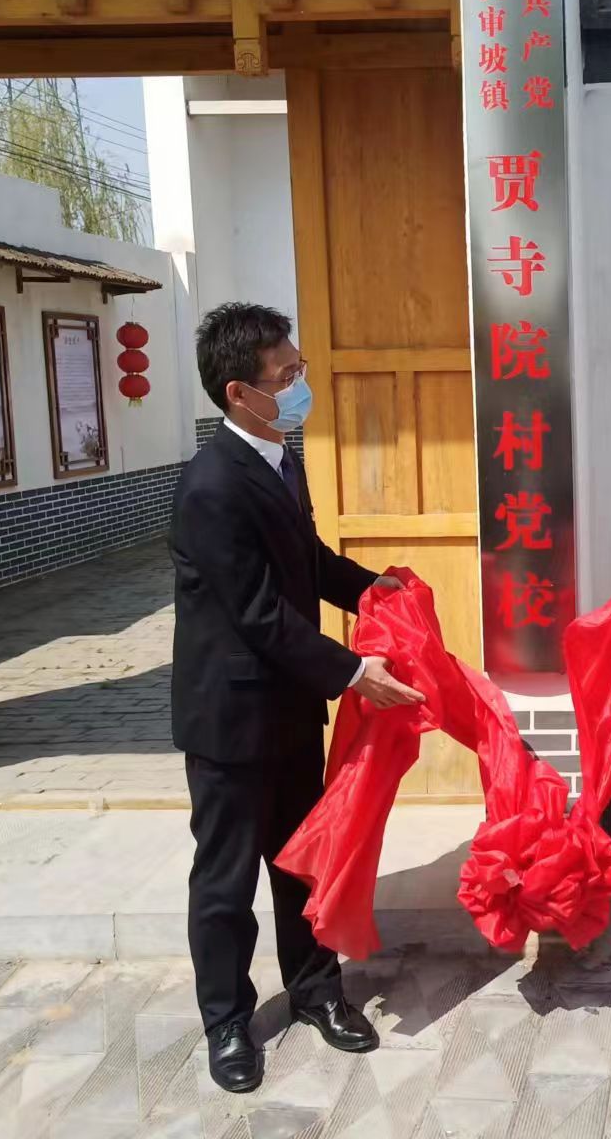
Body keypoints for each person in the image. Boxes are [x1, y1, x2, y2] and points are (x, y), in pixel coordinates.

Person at [171, 301, 424, 1094]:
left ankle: (317, 991)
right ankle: (226, 1022)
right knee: (226, 880)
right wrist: (351, 673)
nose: (300, 385)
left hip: (286, 708)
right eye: (287, 376)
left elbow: (303, 561)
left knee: (303, 863)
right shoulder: (212, 484)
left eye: (300, 368)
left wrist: (370, 587)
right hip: (229, 717)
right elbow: (256, 611)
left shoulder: (279, 456)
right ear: (240, 391)